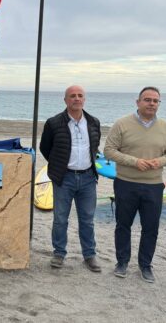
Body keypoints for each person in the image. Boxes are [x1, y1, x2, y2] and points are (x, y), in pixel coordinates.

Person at [103, 86, 166, 283]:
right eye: (147, 99)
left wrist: (159, 162)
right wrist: (134, 161)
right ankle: (122, 262)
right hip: (126, 183)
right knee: (123, 225)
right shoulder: (121, 124)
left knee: (151, 227)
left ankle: (145, 265)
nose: (151, 103)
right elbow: (109, 151)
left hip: (153, 185)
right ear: (138, 102)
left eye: (155, 100)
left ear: (159, 104)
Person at [39, 85, 102, 272]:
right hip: (64, 178)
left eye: (80, 96)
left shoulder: (93, 122)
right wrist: (58, 165)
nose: (76, 99)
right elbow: (45, 147)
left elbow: (95, 145)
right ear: (65, 100)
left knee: (87, 219)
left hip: (88, 178)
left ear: (84, 99)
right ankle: (59, 253)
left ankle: (89, 255)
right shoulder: (53, 123)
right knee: (60, 218)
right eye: (72, 96)